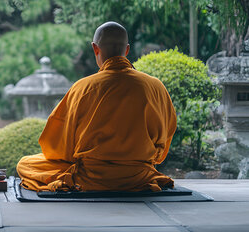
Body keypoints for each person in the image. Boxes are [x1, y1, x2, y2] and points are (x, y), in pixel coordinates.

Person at [16, 21, 176, 192]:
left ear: (95, 48)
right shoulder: (155, 86)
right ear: (127, 50)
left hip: (91, 177)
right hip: (138, 175)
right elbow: (165, 137)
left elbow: (59, 148)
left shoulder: (83, 87)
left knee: (26, 164)